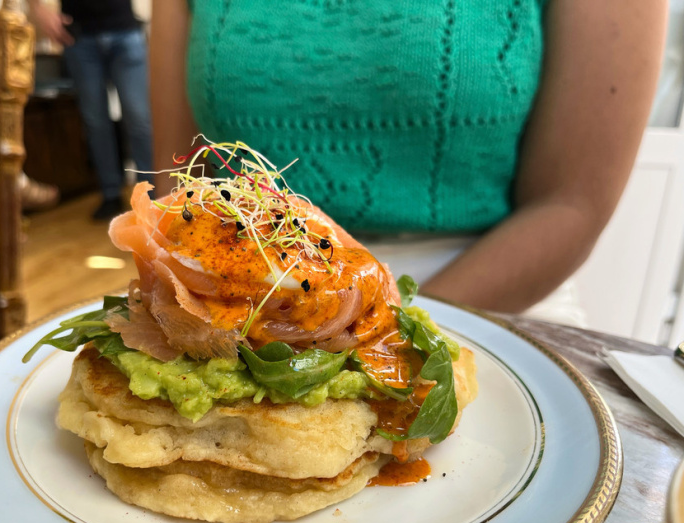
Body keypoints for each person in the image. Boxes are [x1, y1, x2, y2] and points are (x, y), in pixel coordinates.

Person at [150, 0, 667, 322]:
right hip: (244, 299)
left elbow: (570, 204)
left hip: (492, 302)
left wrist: (370, 328)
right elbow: (179, 186)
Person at [29, 0, 154, 220]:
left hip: (125, 30)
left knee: (139, 118)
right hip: (79, 37)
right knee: (95, 122)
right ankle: (110, 194)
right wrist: (37, 8)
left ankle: (152, 195)